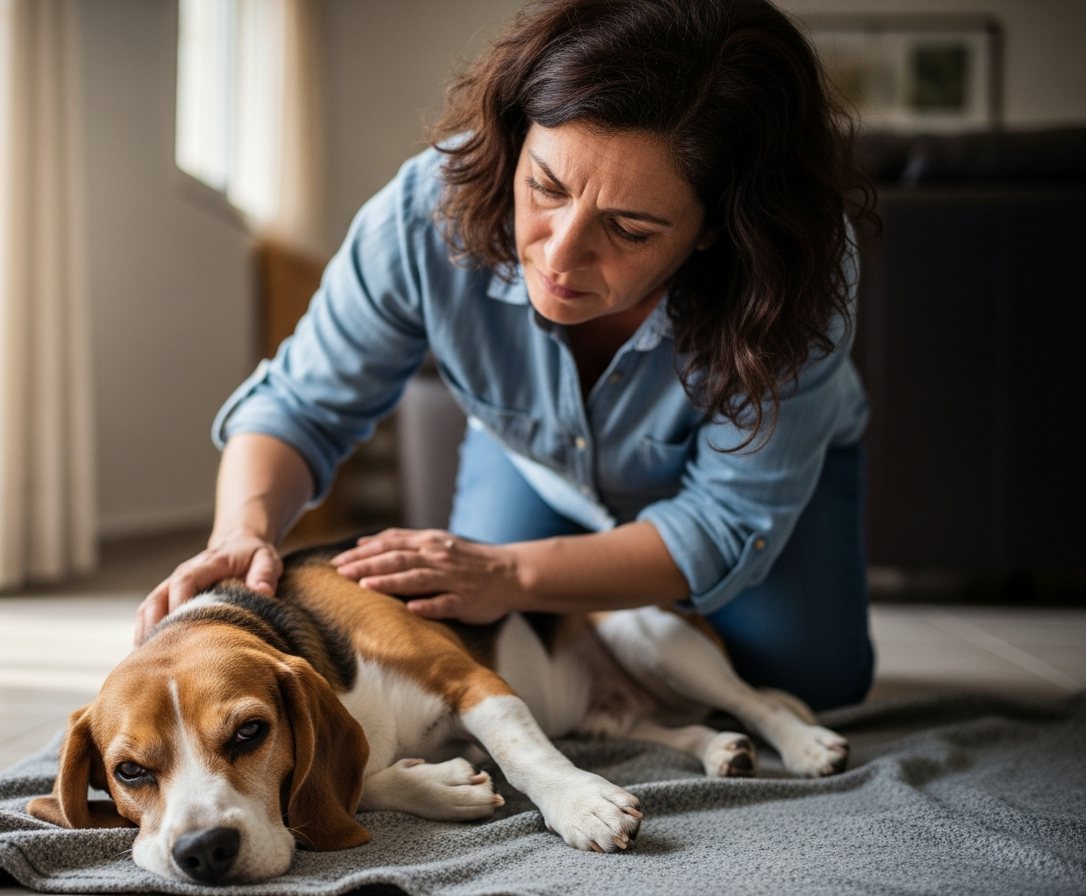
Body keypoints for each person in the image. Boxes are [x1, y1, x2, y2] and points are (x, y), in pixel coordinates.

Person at [135, 0, 878, 711]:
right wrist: (245, 529)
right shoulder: (426, 208)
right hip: (538, 462)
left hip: (748, 475)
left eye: (629, 228)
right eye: (545, 187)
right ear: (518, 137)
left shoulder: (793, 271)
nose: (559, 254)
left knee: (812, 680)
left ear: (717, 229)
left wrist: (514, 572)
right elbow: (301, 404)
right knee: (489, 642)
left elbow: (723, 521)